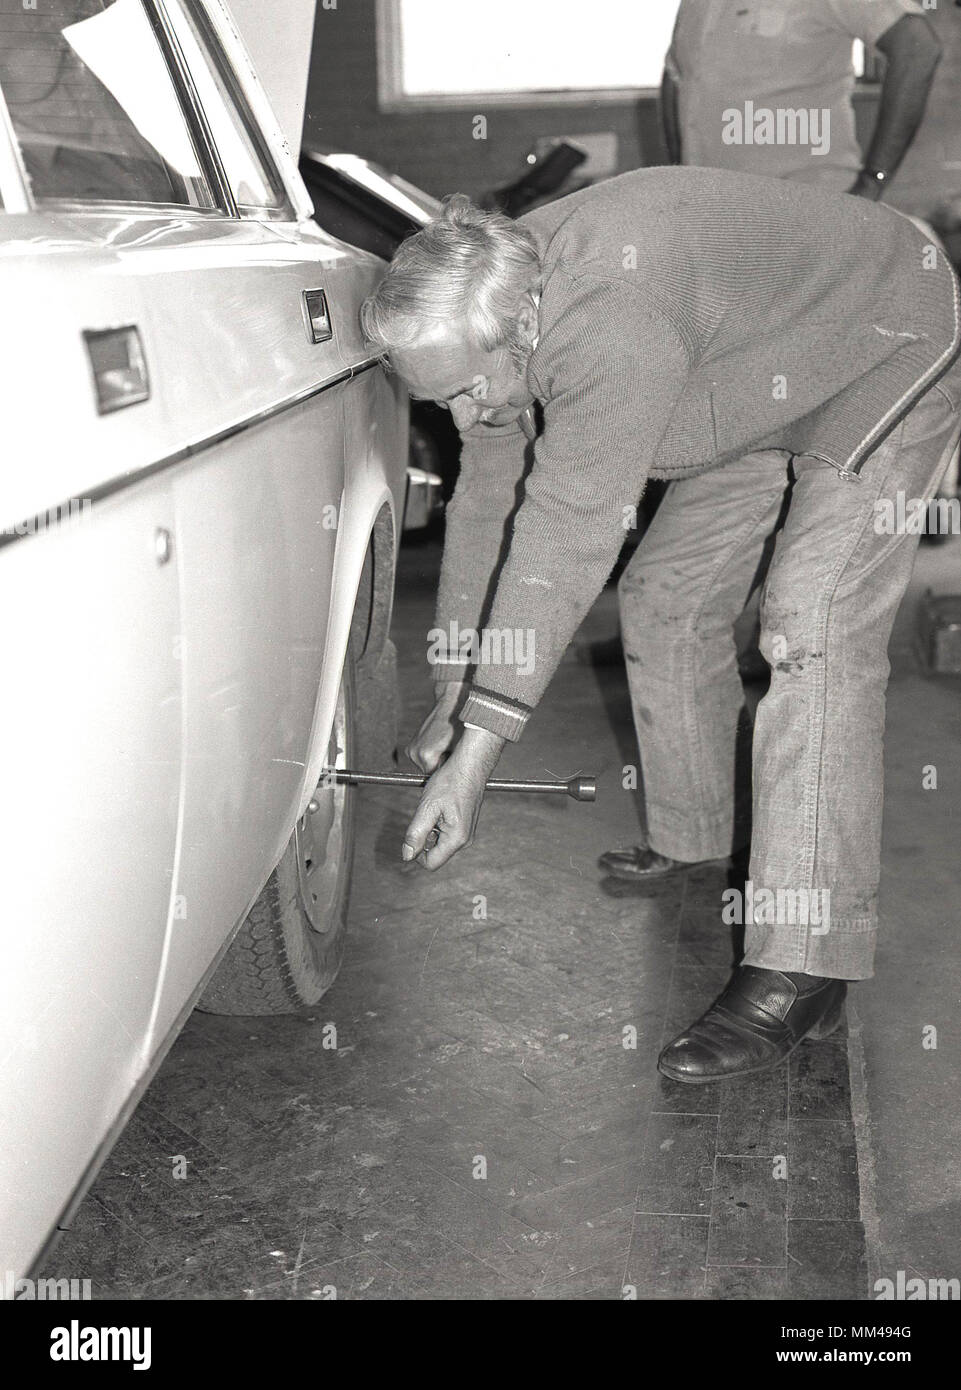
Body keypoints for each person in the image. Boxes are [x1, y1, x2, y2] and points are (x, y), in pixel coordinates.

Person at [359, 167, 961, 1083]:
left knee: (810, 630)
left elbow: (565, 526)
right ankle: (693, 833)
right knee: (667, 595)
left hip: (882, 336)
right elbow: (488, 497)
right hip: (749, 362)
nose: (461, 413)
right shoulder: (486, 293)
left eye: (468, 389)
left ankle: (803, 965)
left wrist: (477, 758)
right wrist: (453, 688)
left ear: (521, 332)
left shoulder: (609, 319)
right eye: (440, 397)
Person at [661, 0, 942, 199]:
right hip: (709, 212)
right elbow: (677, 76)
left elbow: (918, 49)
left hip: (807, 211)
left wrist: (874, 180)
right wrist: (678, 171)